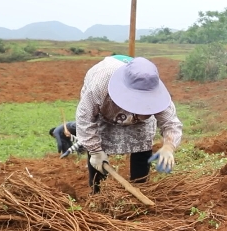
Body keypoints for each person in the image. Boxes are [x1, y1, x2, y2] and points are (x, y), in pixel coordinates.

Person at [75, 55, 183, 193]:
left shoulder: (152, 86)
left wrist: (168, 146)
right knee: (98, 154)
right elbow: (85, 118)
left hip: (141, 122)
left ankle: (140, 185)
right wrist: (95, 151)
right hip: (106, 111)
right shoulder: (100, 85)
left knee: (142, 142)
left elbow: (171, 122)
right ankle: (98, 192)